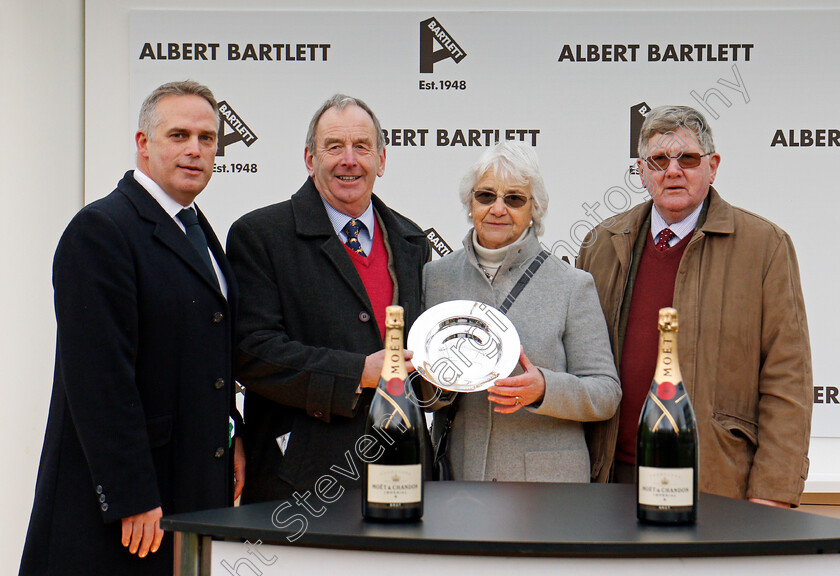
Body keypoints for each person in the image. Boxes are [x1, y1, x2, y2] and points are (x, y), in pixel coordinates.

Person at [19, 81, 245, 576]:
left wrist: (232, 434)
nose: (195, 149)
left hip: (186, 492)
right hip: (126, 512)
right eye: (179, 135)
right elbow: (98, 379)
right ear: (144, 144)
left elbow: (207, 355)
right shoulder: (101, 230)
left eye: (207, 139)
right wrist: (131, 495)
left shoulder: (196, 228)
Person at [578, 105, 812, 506]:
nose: (672, 171)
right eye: (658, 160)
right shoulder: (601, 243)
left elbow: (788, 377)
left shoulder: (765, 246)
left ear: (713, 165)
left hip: (716, 483)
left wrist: (774, 492)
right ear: (641, 171)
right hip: (612, 480)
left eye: (687, 158)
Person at [226, 94, 430, 502]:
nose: (348, 160)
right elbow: (253, 352)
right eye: (334, 146)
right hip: (303, 480)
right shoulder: (260, 237)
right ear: (309, 158)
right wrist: (357, 373)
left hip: (402, 473)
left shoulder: (412, 241)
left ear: (382, 160)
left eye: (362, 147)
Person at [421, 141, 621, 483]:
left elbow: (605, 393)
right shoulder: (435, 277)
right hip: (461, 481)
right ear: (470, 204)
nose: (498, 209)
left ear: (535, 210)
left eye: (514, 199)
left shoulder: (572, 285)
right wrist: (440, 382)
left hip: (548, 490)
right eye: (485, 196)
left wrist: (545, 388)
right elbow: (419, 395)